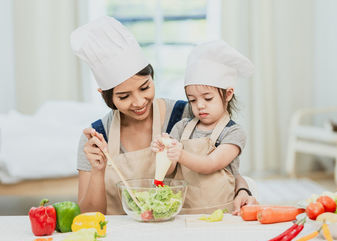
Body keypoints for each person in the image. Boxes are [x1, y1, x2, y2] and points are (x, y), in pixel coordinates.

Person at [72, 16, 255, 214]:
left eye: (145, 87)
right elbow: (89, 215)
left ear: (152, 78)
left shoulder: (185, 116)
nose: (139, 102)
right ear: (105, 95)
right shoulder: (97, 138)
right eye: (124, 96)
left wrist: (243, 189)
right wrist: (98, 170)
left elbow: (222, 168)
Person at [151, 40, 257, 214]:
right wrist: (164, 152)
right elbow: (169, 171)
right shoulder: (182, 127)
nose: (199, 105)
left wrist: (180, 153)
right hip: (182, 213)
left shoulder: (233, 132)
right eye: (192, 100)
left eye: (207, 98)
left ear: (228, 94)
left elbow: (211, 164)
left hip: (220, 214)